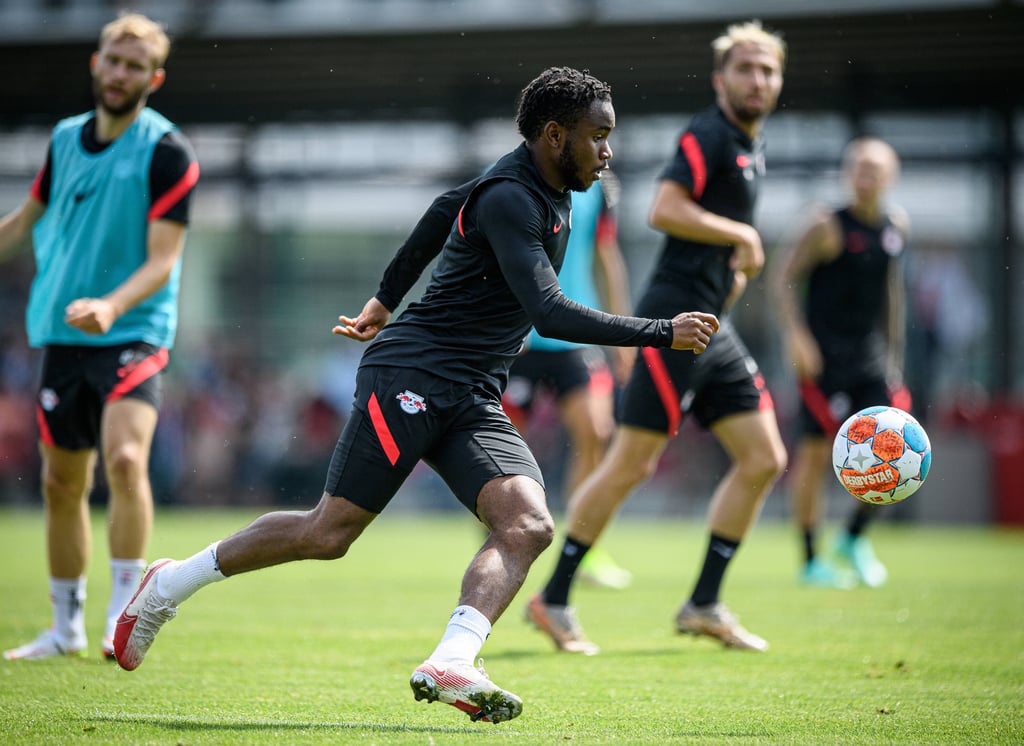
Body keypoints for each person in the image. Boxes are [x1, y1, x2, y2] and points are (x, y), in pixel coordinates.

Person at [111, 67, 720, 724]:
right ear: (554, 135)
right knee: (329, 533)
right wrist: (660, 331)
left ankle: (454, 659)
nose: (608, 152)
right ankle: (169, 584)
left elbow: (438, 213)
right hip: (412, 376)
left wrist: (383, 299)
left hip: (471, 393)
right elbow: (549, 313)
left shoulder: (544, 184)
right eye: (598, 137)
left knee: (529, 525)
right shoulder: (513, 197)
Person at [525, 20, 787, 655]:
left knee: (764, 459)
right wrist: (741, 236)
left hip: (711, 329)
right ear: (720, 79)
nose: (758, 79)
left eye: (768, 70)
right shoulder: (709, 133)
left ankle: (703, 603)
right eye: (745, 68)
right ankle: (553, 598)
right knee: (631, 463)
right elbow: (663, 208)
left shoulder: (751, 146)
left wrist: (733, 262)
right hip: (677, 324)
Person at [0, 13, 199, 661]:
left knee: (124, 459)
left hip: (131, 331)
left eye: (135, 66)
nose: (120, 74)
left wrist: (112, 306)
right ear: (96, 63)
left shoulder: (168, 150)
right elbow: (25, 221)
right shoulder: (62, 141)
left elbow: (164, 259)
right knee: (60, 483)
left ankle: (123, 612)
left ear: (155, 78)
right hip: (62, 332)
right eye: (113, 60)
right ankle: (64, 628)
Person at [771, 137, 910, 589]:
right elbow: (783, 279)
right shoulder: (825, 225)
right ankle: (811, 559)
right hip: (823, 363)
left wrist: (894, 357)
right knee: (813, 456)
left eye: (875, 168)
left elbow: (892, 293)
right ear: (848, 174)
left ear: (891, 176)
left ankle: (853, 538)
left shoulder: (895, 226)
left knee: (897, 450)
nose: (865, 175)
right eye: (858, 167)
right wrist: (796, 337)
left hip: (870, 362)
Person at [501, 171, 635, 590]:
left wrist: (624, 336)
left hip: (576, 331)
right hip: (521, 335)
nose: (603, 148)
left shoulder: (601, 188)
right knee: (499, 443)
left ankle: (583, 547)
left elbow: (606, 256)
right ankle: (500, 540)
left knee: (596, 430)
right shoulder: (515, 183)